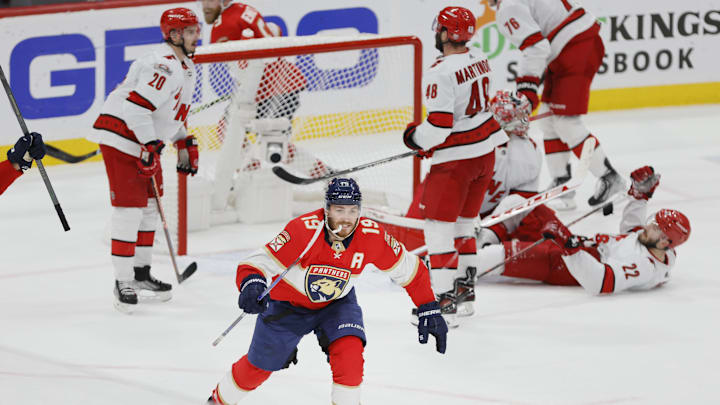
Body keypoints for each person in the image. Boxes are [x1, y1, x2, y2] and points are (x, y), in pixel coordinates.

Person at [207, 178, 447, 405]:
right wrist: (252, 284)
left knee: (350, 359)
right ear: (327, 209)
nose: (346, 218)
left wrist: (428, 307)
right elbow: (254, 264)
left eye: (352, 210)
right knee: (258, 368)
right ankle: (218, 400)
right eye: (339, 210)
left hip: (337, 305)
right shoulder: (302, 231)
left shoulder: (372, 236)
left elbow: (411, 270)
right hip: (286, 306)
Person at [378, 90, 539, 319]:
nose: (524, 123)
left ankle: (445, 296)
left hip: (458, 199)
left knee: (432, 236)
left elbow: (520, 202)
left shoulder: (511, 147)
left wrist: (420, 140)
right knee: (423, 238)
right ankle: (462, 291)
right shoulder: (525, 152)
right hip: (468, 209)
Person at [87, 8, 201, 313]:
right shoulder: (163, 67)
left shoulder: (185, 65)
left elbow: (166, 114)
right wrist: (150, 145)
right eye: (190, 31)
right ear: (174, 35)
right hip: (124, 138)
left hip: (141, 140)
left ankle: (140, 274)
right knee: (129, 210)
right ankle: (122, 280)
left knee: (151, 208)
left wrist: (183, 140)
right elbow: (136, 110)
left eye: (195, 30)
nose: (196, 36)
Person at [402, 6, 508, 325]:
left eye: (440, 30)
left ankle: (442, 304)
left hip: (456, 163)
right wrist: (429, 141)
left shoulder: (440, 71)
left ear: (446, 34)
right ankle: (465, 295)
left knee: (438, 230)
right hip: (484, 156)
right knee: (465, 225)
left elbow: (439, 125)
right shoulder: (481, 59)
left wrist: (415, 139)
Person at [492, 0, 625, 209]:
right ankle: (562, 184)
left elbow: (536, 47)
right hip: (572, 46)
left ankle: (610, 178)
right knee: (549, 119)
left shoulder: (508, 6)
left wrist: (527, 88)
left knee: (566, 123)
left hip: (575, 49)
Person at [476, 166, 691, 294]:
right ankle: (478, 243)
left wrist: (569, 247)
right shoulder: (655, 245)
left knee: (495, 256)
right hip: (577, 247)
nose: (648, 226)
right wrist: (640, 194)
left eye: (655, 228)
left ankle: (458, 267)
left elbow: (598, 282)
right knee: (518, 203)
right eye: (653, 222)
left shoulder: (645, 268)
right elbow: (631, 232)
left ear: (664, 241)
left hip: (568, 266)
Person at [199, 0, 329, 210]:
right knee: (227, 131)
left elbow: (240, 61)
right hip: (264, 86)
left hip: (277, 88)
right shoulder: (243, 9)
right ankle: (250, 176)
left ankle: (328, 176)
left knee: (272, 145)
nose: (205, 4)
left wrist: (247, 85)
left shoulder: (224, 23)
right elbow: (274, 31)